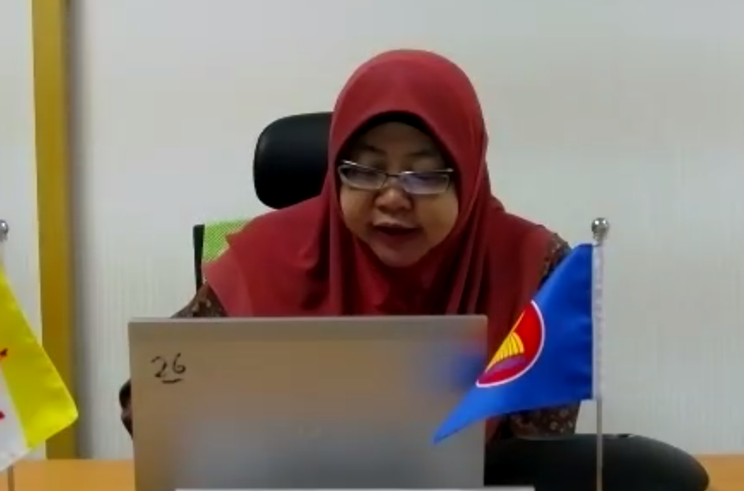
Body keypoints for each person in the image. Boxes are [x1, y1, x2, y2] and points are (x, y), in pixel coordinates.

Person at [118, 50, 579, 441]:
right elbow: (147, 401)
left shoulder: (538, 269)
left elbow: (547, 457)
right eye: (365, 171)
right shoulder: (264, 258)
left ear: (469, 176)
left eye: (423, 175)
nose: (393, 198)